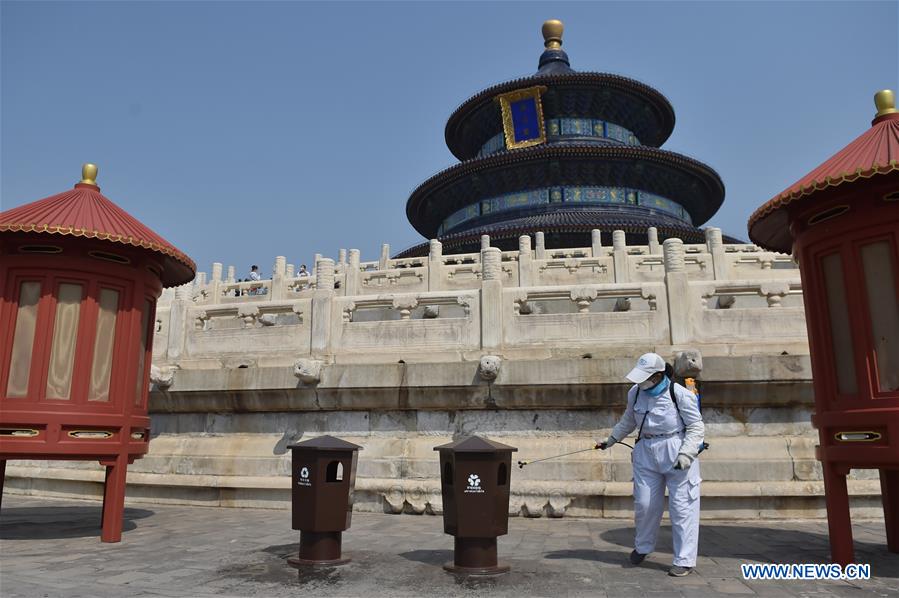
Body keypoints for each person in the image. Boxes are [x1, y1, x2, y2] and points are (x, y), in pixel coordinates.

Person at [597, 352, 704, 577]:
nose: (641, 382)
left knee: (682, 507)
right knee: (644, 504)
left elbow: (696, 427)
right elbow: (628, 420)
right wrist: (612, 439)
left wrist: (686, 454)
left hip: (676, 449)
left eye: (645, 377)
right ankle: (643, 546)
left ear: (657, 375)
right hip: (646, 451)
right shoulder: (635, 393)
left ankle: (684, 559)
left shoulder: (679, 394)